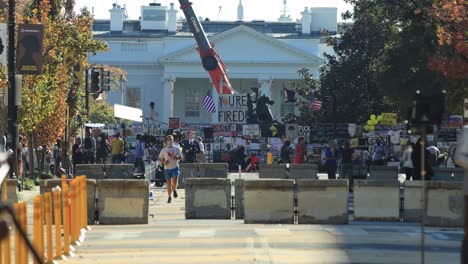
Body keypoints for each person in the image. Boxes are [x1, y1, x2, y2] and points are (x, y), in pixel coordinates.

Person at [158, 135, 182, 203]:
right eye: (168, 140)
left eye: (171, 139)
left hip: (174, 167)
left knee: (174, 181)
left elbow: (180, 157)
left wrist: (176, 158)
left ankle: (174, 189)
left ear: (173, 140)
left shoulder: (176, 148)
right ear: (166, 141)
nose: (170, 141)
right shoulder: (164, 149)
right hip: (167, 169)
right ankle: (169, 197)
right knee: (169, 184)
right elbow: (159, 158)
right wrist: (164, 162)